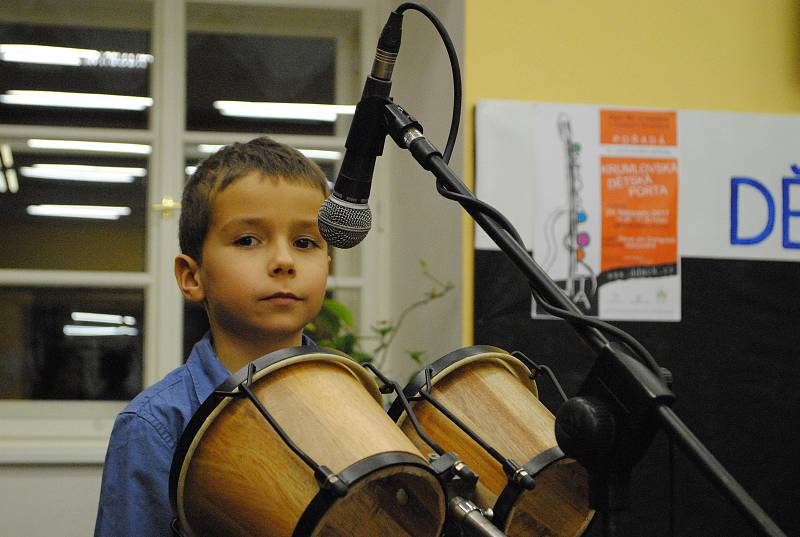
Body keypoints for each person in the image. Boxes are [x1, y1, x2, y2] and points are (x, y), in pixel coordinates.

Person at [94, 136, 331, 536]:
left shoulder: (353, 402)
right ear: (193, 276)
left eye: (305, 242)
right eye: (247, 240)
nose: (284, 261)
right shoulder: (154, 427)